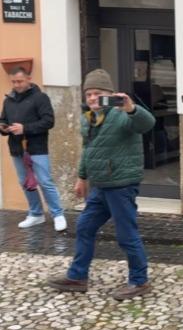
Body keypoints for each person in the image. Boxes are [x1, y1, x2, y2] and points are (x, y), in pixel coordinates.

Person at [46, 69, 156, 301]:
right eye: (89, 94)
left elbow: (147, 123)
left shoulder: (121, 113)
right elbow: (88, 150)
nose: (93, 98)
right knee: (85, 227)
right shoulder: (89, 119)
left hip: (121, 185)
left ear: (110, 94)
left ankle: (140, 280)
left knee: (126, 235)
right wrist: (82, 177)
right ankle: (77, 277)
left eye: (98, 93)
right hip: (101, 186)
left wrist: (131, 108)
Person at [0, 66, 67, 231]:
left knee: (45, 182)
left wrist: (25, 128)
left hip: (37, 148)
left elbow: (48, 122)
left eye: (20, 81)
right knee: (26, 183)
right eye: (14, 82)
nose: (16, 85)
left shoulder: (40, 98)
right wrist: (3, 127)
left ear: (28, 79)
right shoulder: (8, 100)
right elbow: (3, 119)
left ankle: (58, 214)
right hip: (17, 149)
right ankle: (36, 214)